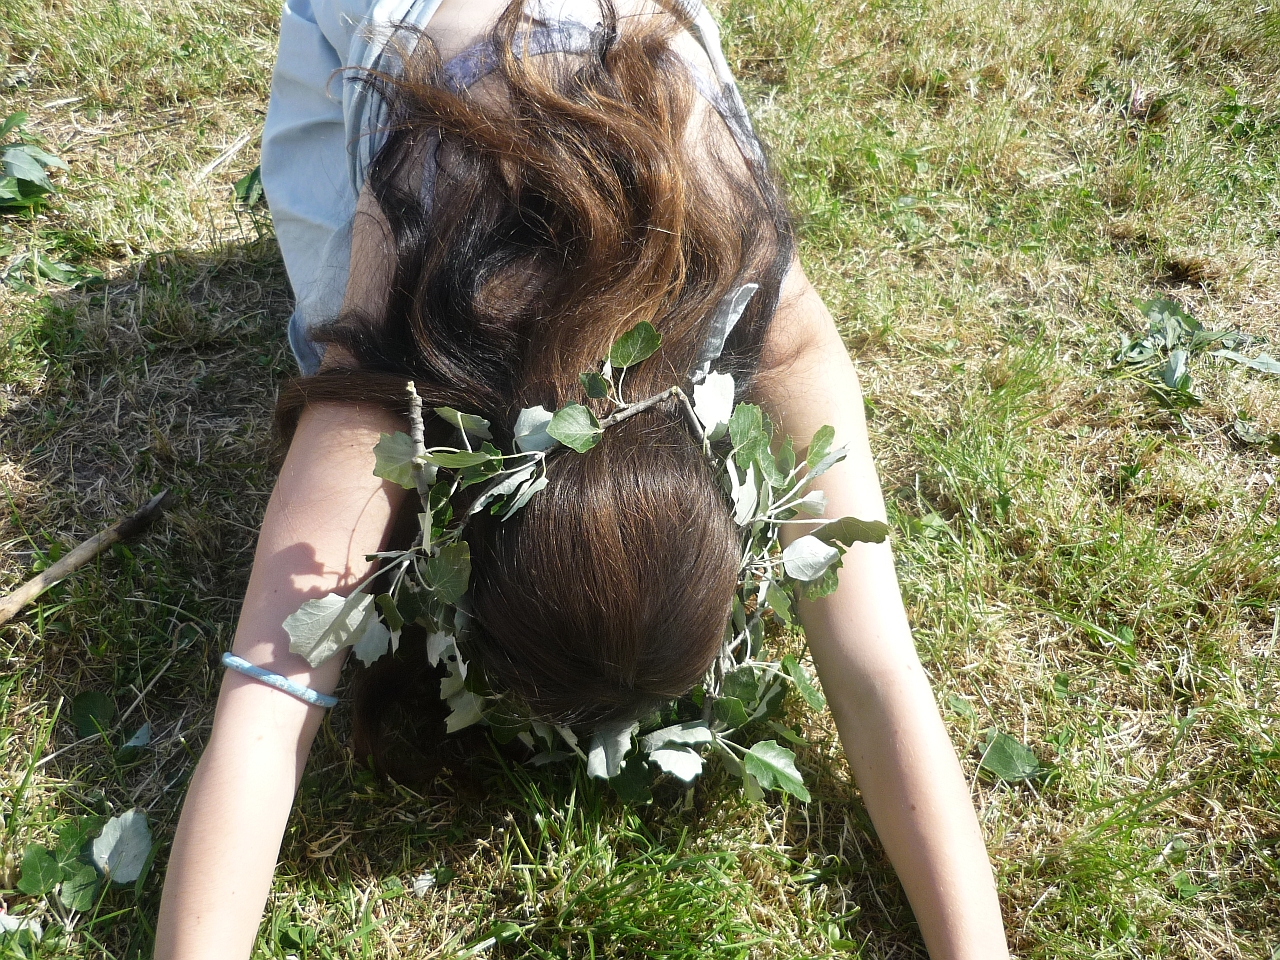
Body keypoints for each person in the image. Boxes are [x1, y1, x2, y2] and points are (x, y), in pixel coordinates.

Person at [153, 0, 1012, 957]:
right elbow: (264, 706)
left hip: (608, 54)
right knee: (313, 317)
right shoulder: (401, 277)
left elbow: (880, 675)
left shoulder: (761, 287)